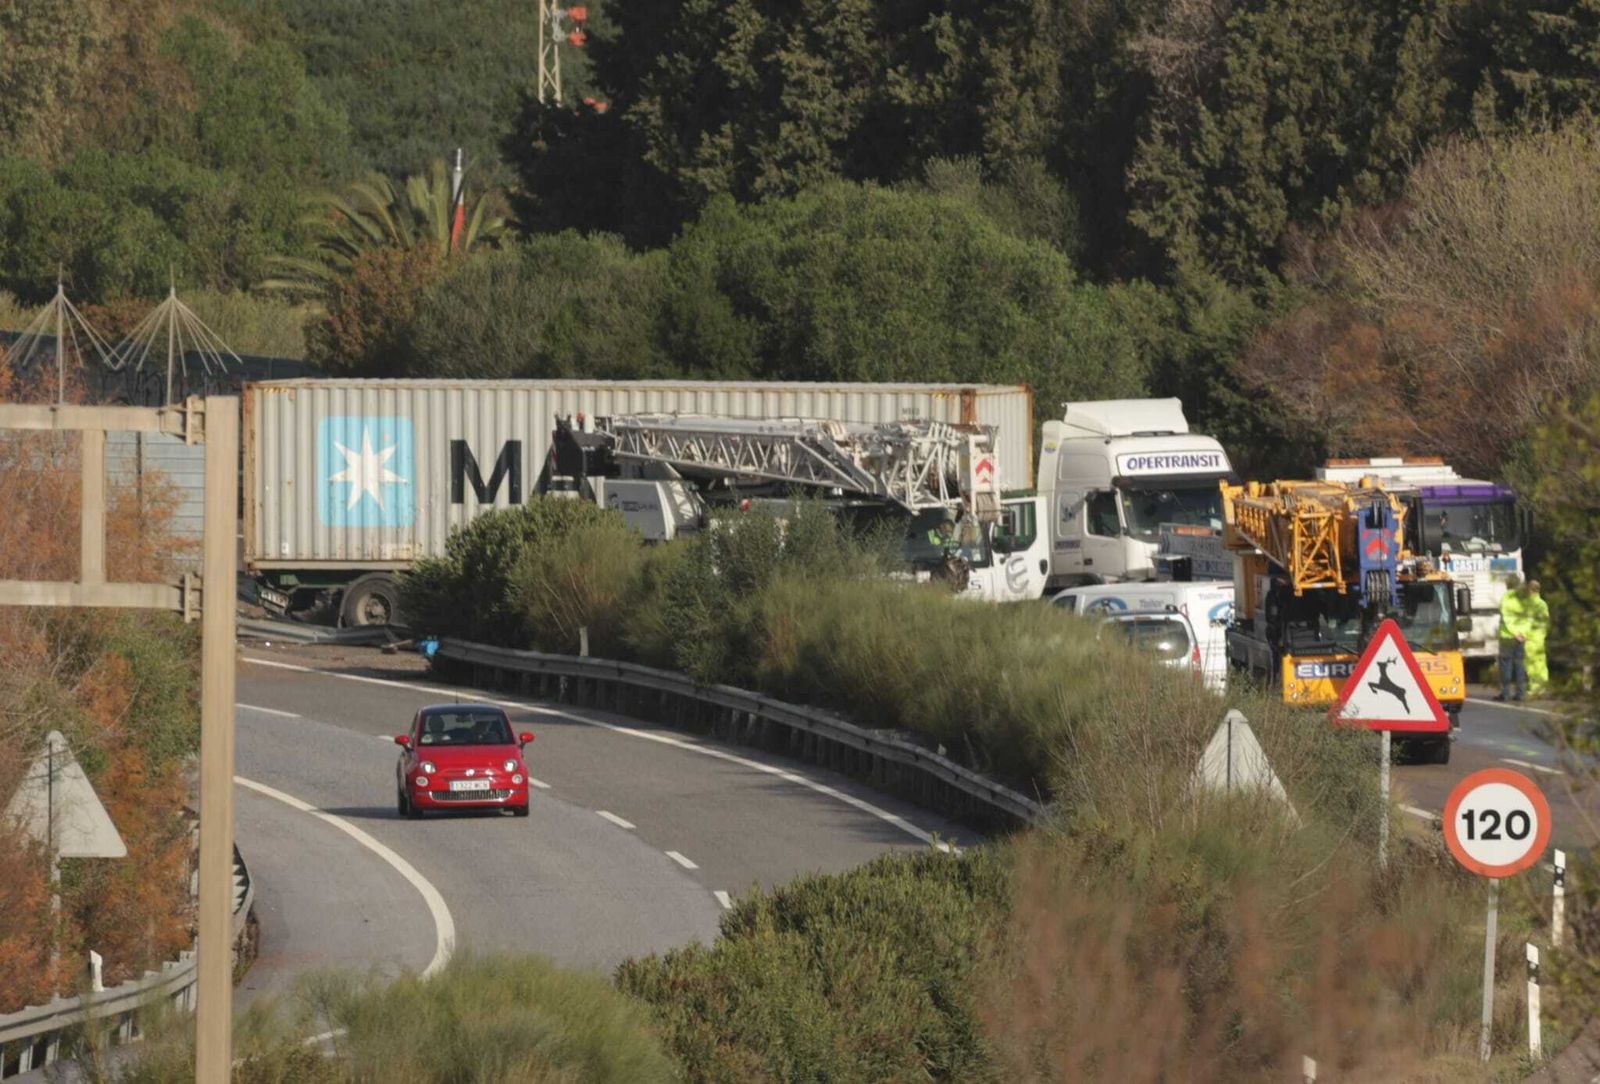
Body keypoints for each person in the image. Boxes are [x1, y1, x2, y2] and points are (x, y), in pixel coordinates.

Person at [1497, 574, 1533, 701]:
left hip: (1508, 637)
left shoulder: (1506, 598)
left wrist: (1514, 633)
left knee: (1506, 665)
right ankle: (1521, 693)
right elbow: (1529, 616)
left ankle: (1505, 693)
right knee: (1520, 665)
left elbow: (1507, 618)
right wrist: (1524, 633)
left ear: (1507, 584)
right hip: (1521, 637)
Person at [1524, 579, 1551, 695]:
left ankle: (1534, 687)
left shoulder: (1529, 604)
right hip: (1540, 638)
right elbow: (1546, 622)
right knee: (1541, 663)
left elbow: (1525, 622)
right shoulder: (1542, 604)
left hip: (1530, 639)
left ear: (1529, 590)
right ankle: (1543, 686)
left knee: (1531, 664)